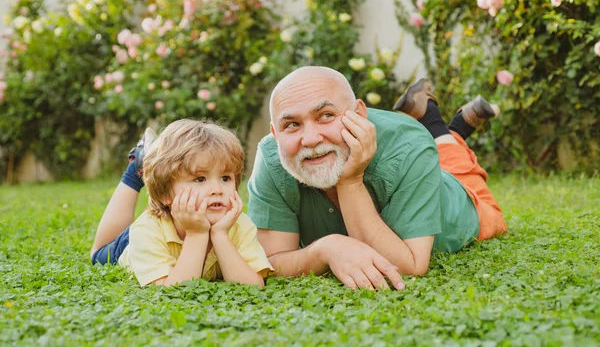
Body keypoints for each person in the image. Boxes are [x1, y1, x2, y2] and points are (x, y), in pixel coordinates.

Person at [247, 66, 507, 291]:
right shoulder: (273, 156)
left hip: (458, 195)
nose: (311, 138)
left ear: (359, 114)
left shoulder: (410, 146)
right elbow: (270, 261)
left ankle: (440, 124)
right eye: (292, 124)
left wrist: (350, 180)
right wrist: (324, 250)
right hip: (403, 157)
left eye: (326, 116)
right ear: (275, 133)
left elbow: (410, 266)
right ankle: (444, 123)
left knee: (465, 176)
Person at [90, 119, 273, 287]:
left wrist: (220, 235)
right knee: (97, 255)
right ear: (166, 195)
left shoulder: (240, 225)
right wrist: (196, 234)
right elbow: (173, 291)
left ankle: (151, 159)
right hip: (134, 243)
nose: (217, 189)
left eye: (225, 178)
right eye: (200, 179)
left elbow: (253, 286)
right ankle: (137, 168)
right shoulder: (146, 231)